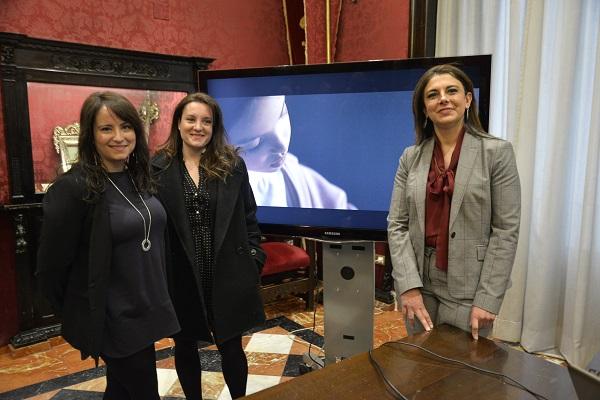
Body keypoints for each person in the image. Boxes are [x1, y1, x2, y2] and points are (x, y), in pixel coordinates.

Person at [36, 91, 180, 399]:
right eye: (106, 129)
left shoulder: (140, 176)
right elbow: (51, 270)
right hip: (115, 317)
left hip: (150, 305)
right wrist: (84, 311)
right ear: (90, 134)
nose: (119, 136)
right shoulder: (72, 189)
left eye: (126, 127)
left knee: (120, 388)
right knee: (144, 392)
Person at [387, 64, 521, 340]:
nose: (443, 99)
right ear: (424, 108)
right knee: (421, 366)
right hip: (419, 282)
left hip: (470, 285)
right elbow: (397, 224)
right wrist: (407, 287)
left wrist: (488, 298)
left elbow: (506, 230)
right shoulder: (409, 158)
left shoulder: (496, 152)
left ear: (468, 99)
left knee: (465, 372)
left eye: (452, 91)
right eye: (433, 95)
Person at [151, 92, 266, 399]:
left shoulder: (232, 166)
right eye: (191, 119)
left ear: (215, 127)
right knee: (185, 345)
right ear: (178, 123)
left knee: (231, 346)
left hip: (226, 272)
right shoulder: (157, 168)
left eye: (206, 121)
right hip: (182, 275)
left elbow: (249, 216)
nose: (198, 127)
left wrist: (253, 260)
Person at [220, 95, 355, 209]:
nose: (281, 144)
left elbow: (343, 212)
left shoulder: (295, 176)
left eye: (282, 115)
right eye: (253, 144)